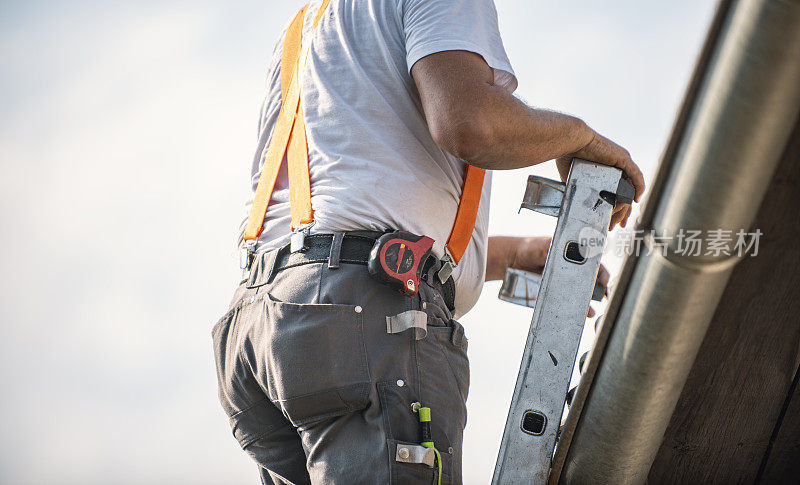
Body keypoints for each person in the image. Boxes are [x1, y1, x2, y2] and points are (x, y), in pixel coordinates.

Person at [212, 0, 645, 483]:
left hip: (264, 324)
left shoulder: (317, 20)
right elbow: (469, 125)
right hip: (359, 319)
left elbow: (345, 211)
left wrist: (508, 256)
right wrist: (577, 138)